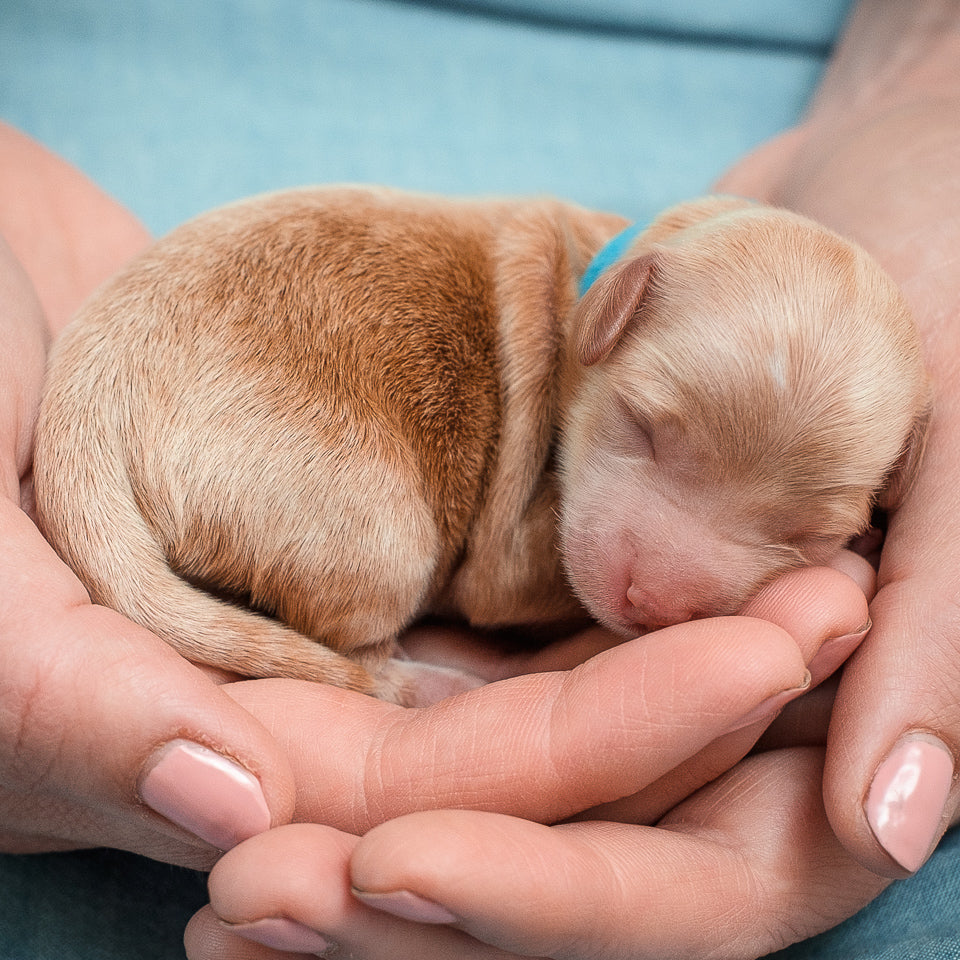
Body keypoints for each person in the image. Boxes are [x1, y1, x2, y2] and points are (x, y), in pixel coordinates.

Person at [0, 2, 957, 959]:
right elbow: (496, 582)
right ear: (614, 317)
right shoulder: (555, 297)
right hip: (228, 416)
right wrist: (363, 673)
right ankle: (326, 635)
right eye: (651, 436)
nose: (664, 581)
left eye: (796, 533)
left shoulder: (676, 321)